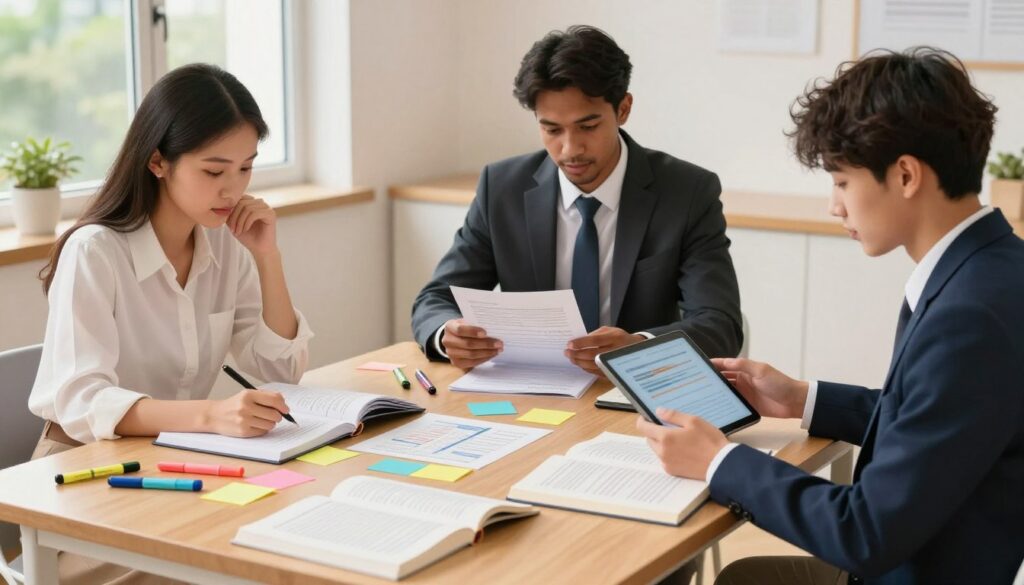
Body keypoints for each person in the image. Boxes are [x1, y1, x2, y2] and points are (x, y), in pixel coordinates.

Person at [637, 48, 1024, 584]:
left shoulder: (971, 317)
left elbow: (863, 533)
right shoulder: (993, 268)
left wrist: (717, 461)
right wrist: (802, 399)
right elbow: (937, 425)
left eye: (842, 181)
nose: (834, 206)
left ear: (907, 174)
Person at [411, 25, 742, 377]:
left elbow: (719, 325)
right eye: (552, 129)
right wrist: (446, 334)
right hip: (531, 392)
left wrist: (638, 346)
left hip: (637, 395)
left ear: (624, 109)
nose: (570, 149)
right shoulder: (502, 189)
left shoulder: (687, 192)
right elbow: (436, 300)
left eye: (588, 126)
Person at [30, 63, 313, 451]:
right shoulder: (95, 251)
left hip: (174, 448)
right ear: (158, 161)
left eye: (245, 168)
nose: (232, 190)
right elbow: (81, 400)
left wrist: (268, 257)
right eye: (214, 172)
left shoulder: (227, 244)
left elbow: (282, 370)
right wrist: (211, 415)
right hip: (83, 458)